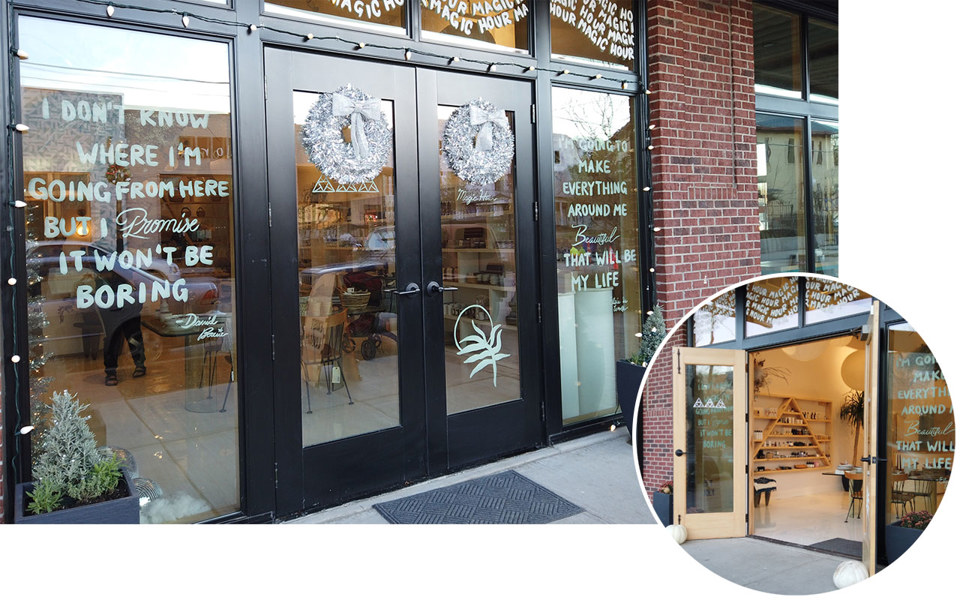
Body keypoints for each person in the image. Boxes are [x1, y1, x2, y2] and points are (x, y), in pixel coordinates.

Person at [94, 269, 147, 386]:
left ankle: (139, 364)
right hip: (111, 309)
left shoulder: (125, 266)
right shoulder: (101, 277)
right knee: (112, 339)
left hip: (129, 306)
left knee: (134, 337)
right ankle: (111, 371)